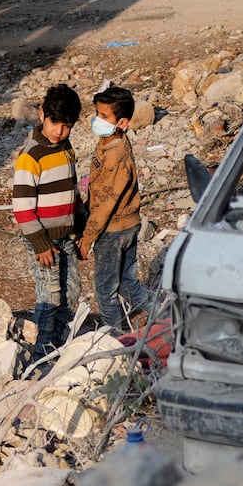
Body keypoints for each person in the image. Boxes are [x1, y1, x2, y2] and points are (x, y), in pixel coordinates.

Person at [13, 84, 83, 362]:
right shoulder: (30, 157)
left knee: (71, 291)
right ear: (42, 114)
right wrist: (40, 244)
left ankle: (59, 342)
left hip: (66, 236)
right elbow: (22, 207)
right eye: (55, 123)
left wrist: (79, 225)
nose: (58, 131)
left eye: (66, 126)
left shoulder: (66, 149)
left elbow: (72, 190)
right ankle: (41, 352)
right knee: (49, 295)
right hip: (43, 241)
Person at [78, 86, 152, 330]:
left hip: (113, 230)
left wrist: (88, 238)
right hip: (127, 225)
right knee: (128, 283)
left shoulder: (116, 154)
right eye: (97, 114)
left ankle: (116, 339)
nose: (98, 120)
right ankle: (166, 316)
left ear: (122, 122)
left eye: (104, 116)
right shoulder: (110, 141)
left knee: (106, 290)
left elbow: (106, 203)